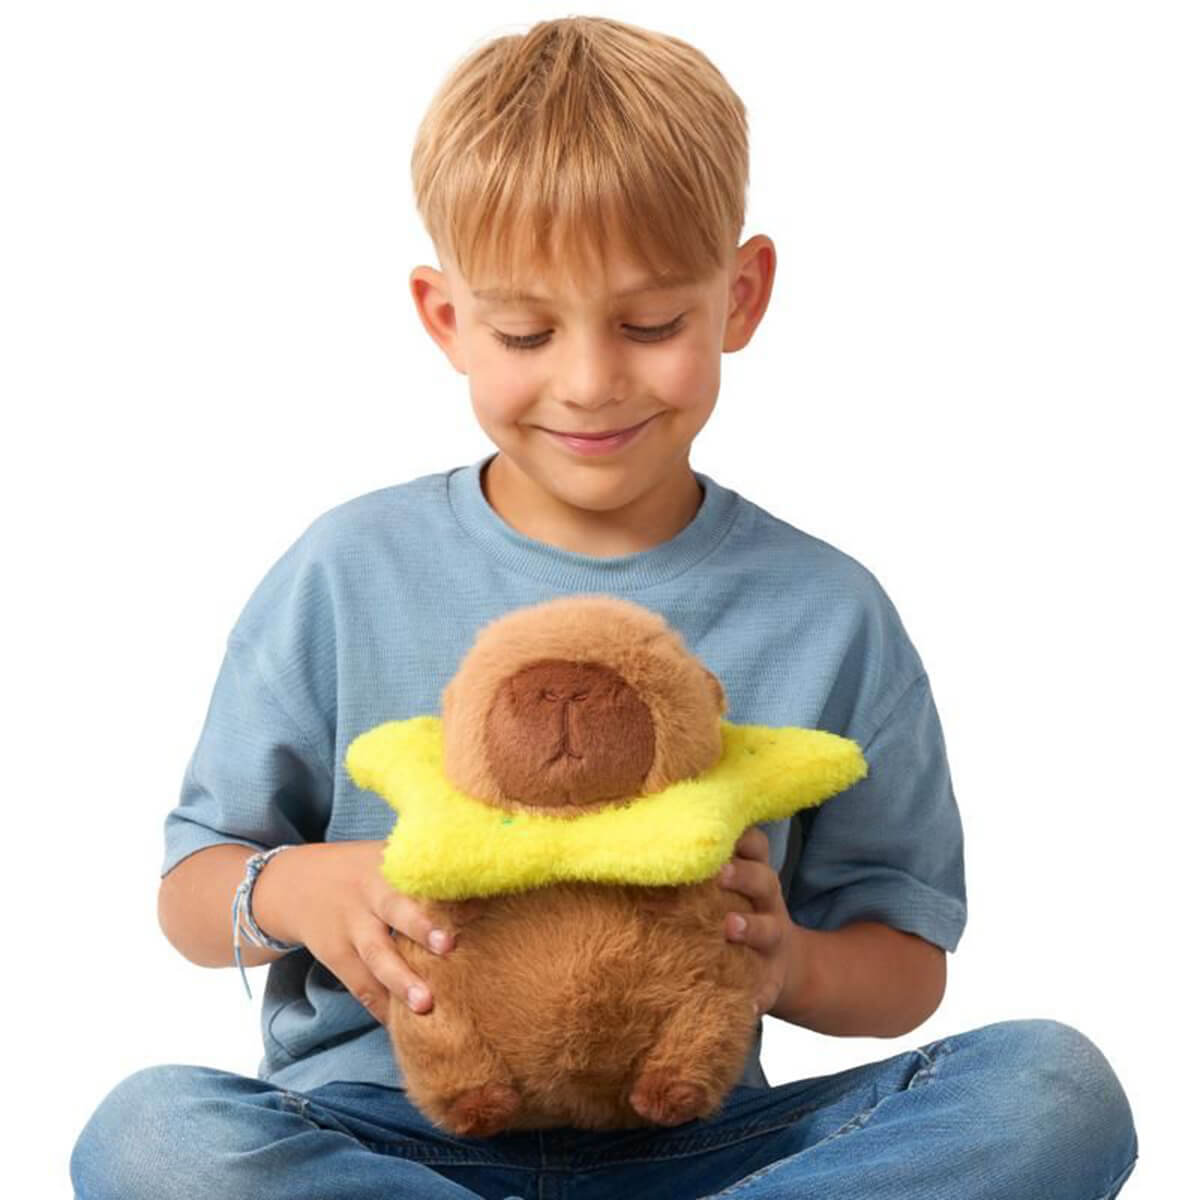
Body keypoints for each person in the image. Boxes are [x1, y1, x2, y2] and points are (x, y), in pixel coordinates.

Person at [70, 15, 1137, 1199]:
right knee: (154, 1135)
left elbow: (906, 965)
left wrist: (786, 964)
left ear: (741, 296)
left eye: (650, 325)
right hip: (383, 1132)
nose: (589, 381)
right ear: (446, 318)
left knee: (1054, 1090)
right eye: (526, 331)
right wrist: (299, 890)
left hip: (704, 1143)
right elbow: (191, 891)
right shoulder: (344, 569)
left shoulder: (829, 612)